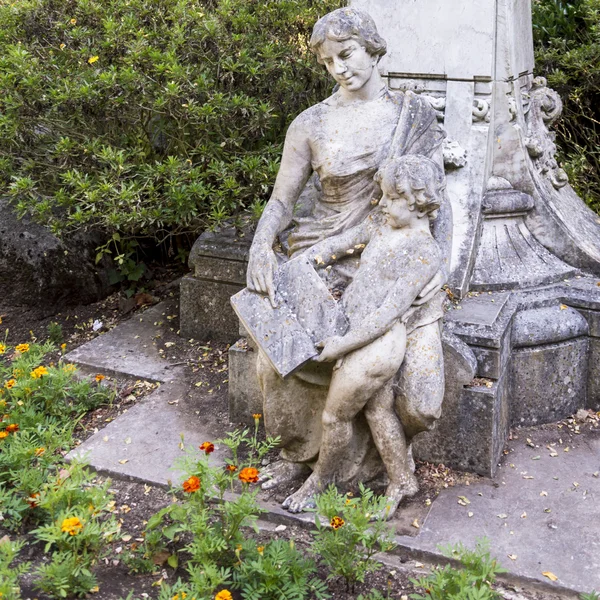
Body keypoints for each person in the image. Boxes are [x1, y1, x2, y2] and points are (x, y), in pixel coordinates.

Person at [247, 7, 451, 512]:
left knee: (422, 406)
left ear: (372, 48)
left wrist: (435, 267)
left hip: (390, 266)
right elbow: (281, 201)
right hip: (323, 252)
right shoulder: (311, 123)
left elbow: (436, 204)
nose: (340, 67)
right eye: (329, 61)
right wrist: (260, 244)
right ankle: (305, 458)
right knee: (277, 358)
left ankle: (373, 462)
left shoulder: (414, 116)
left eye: (348, 54)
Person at [297, 154, 445, 517]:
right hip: (351, 330)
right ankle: (402, 479)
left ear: (418, 202)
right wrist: (305, 262)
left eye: (393, 199)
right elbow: (339, 245)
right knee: (378, 412)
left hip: (377, 345)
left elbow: (389, 313)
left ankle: (319, 482)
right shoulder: (381, 225)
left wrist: (340, 346)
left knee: (335, 417)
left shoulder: (425, 252)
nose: (382, 204)